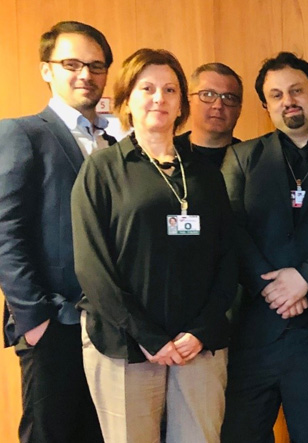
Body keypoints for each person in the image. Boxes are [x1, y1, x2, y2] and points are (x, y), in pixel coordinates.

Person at [71, 48, 236, 443]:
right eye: (147, 88)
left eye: (170, 89)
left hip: (198, 345)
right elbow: (92, 266)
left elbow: (226, 260)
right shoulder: (103, 168)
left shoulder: (205, 175)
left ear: (181, 103)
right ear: (127, 99)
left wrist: (201, 330)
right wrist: (146, 335)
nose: (159, 98)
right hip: (126, 344)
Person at [0, 20, 111, 443]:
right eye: (71, 63)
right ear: (46, 69)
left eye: (96, 65)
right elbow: (3, 232)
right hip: (53, 322)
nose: (85, 75)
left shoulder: (112, 142)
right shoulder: (21, 133)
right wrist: (34, 318)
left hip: (108, 326)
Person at [219, 52, 308, 443]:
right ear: (265, 106)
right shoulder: (242, 158)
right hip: (255, 333)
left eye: (296, 90)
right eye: (275, 95)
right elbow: (231, 232)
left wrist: (306, 278)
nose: (287, 101)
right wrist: (272, 289)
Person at [175, 62, 243, 167]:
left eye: (228, 97)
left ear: (239, 108)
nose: (218, 105)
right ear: (189, 100)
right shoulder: (168, 155)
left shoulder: (250, 159)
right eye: (208, 94)